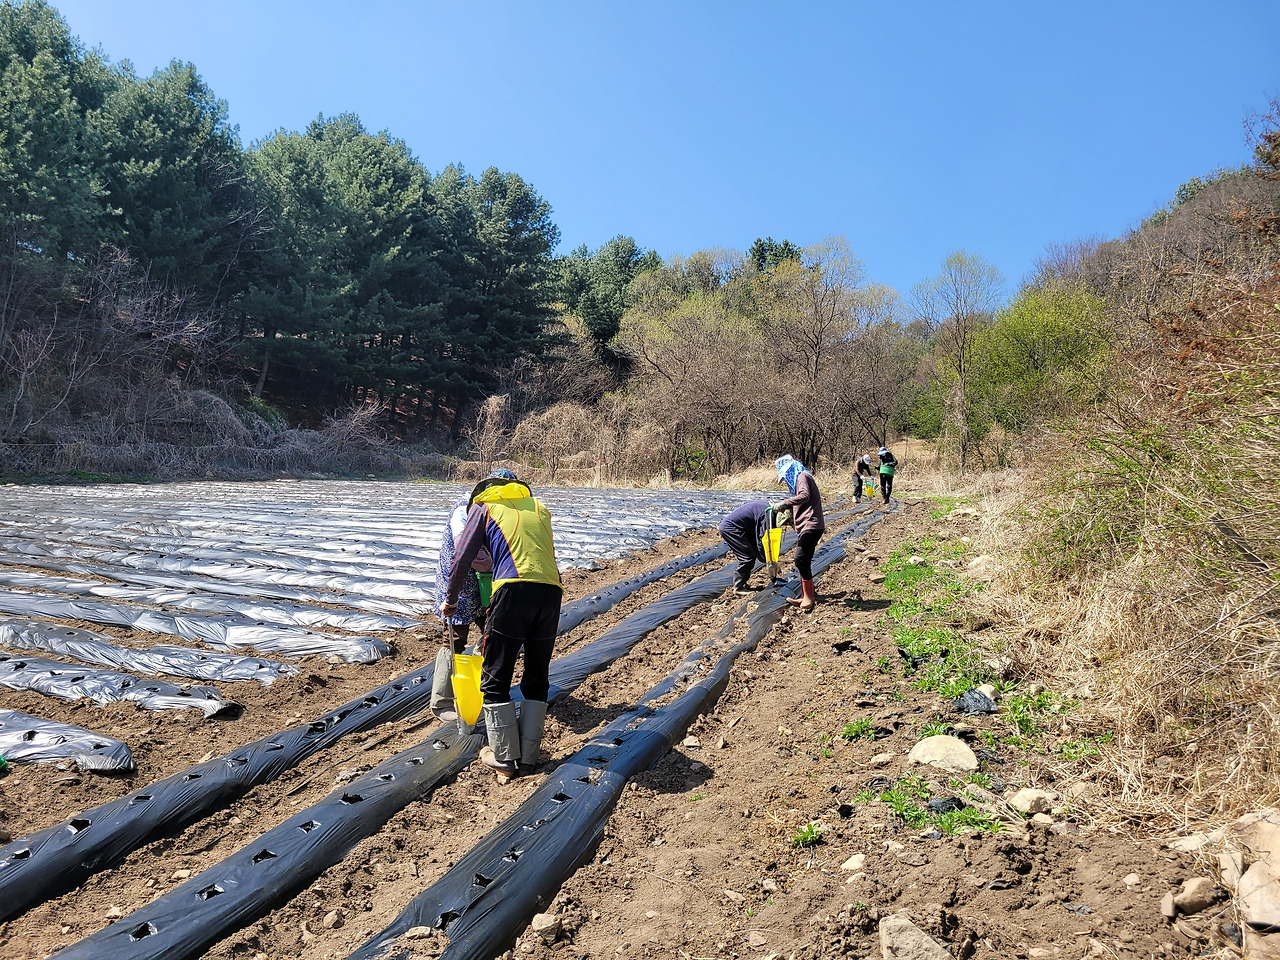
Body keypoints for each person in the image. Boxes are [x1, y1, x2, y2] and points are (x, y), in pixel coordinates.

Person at [441, 471, 562, 781]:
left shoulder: (483, 508)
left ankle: (504, 758)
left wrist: (450, 600)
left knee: (496, 675)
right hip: (551, 593)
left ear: (486, 491)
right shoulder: (538, 508)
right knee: (537, 675)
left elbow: (462, 557)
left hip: (512, 592)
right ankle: (529, 758)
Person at [429, 484, 497, 722]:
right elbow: (465, 549)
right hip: (458, 583)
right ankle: (441, 701)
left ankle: (478, 687)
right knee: (454, 639)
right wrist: (492, 564)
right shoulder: (463, 511)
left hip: (481, 585)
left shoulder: (487, 509)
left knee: (492, 632)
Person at [773, 455, 825, 611]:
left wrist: (783, 503)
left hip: (812, 524)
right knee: (803, 560)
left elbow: (804, 496)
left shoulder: (802, 476)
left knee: (800, 559)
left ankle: (809, 597)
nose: (785, 480)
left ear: (790, 469)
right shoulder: (801, 478)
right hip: (807, 525)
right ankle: (805, 595)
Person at [718, 499, 783, 596]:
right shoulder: (766, 515)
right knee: (747, 558)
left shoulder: (767, 505)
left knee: (750, 554)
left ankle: (743, 584)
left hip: (741, 527)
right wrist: (769, 561)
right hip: (731, 528)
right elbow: (762, 539)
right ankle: (739, 587)